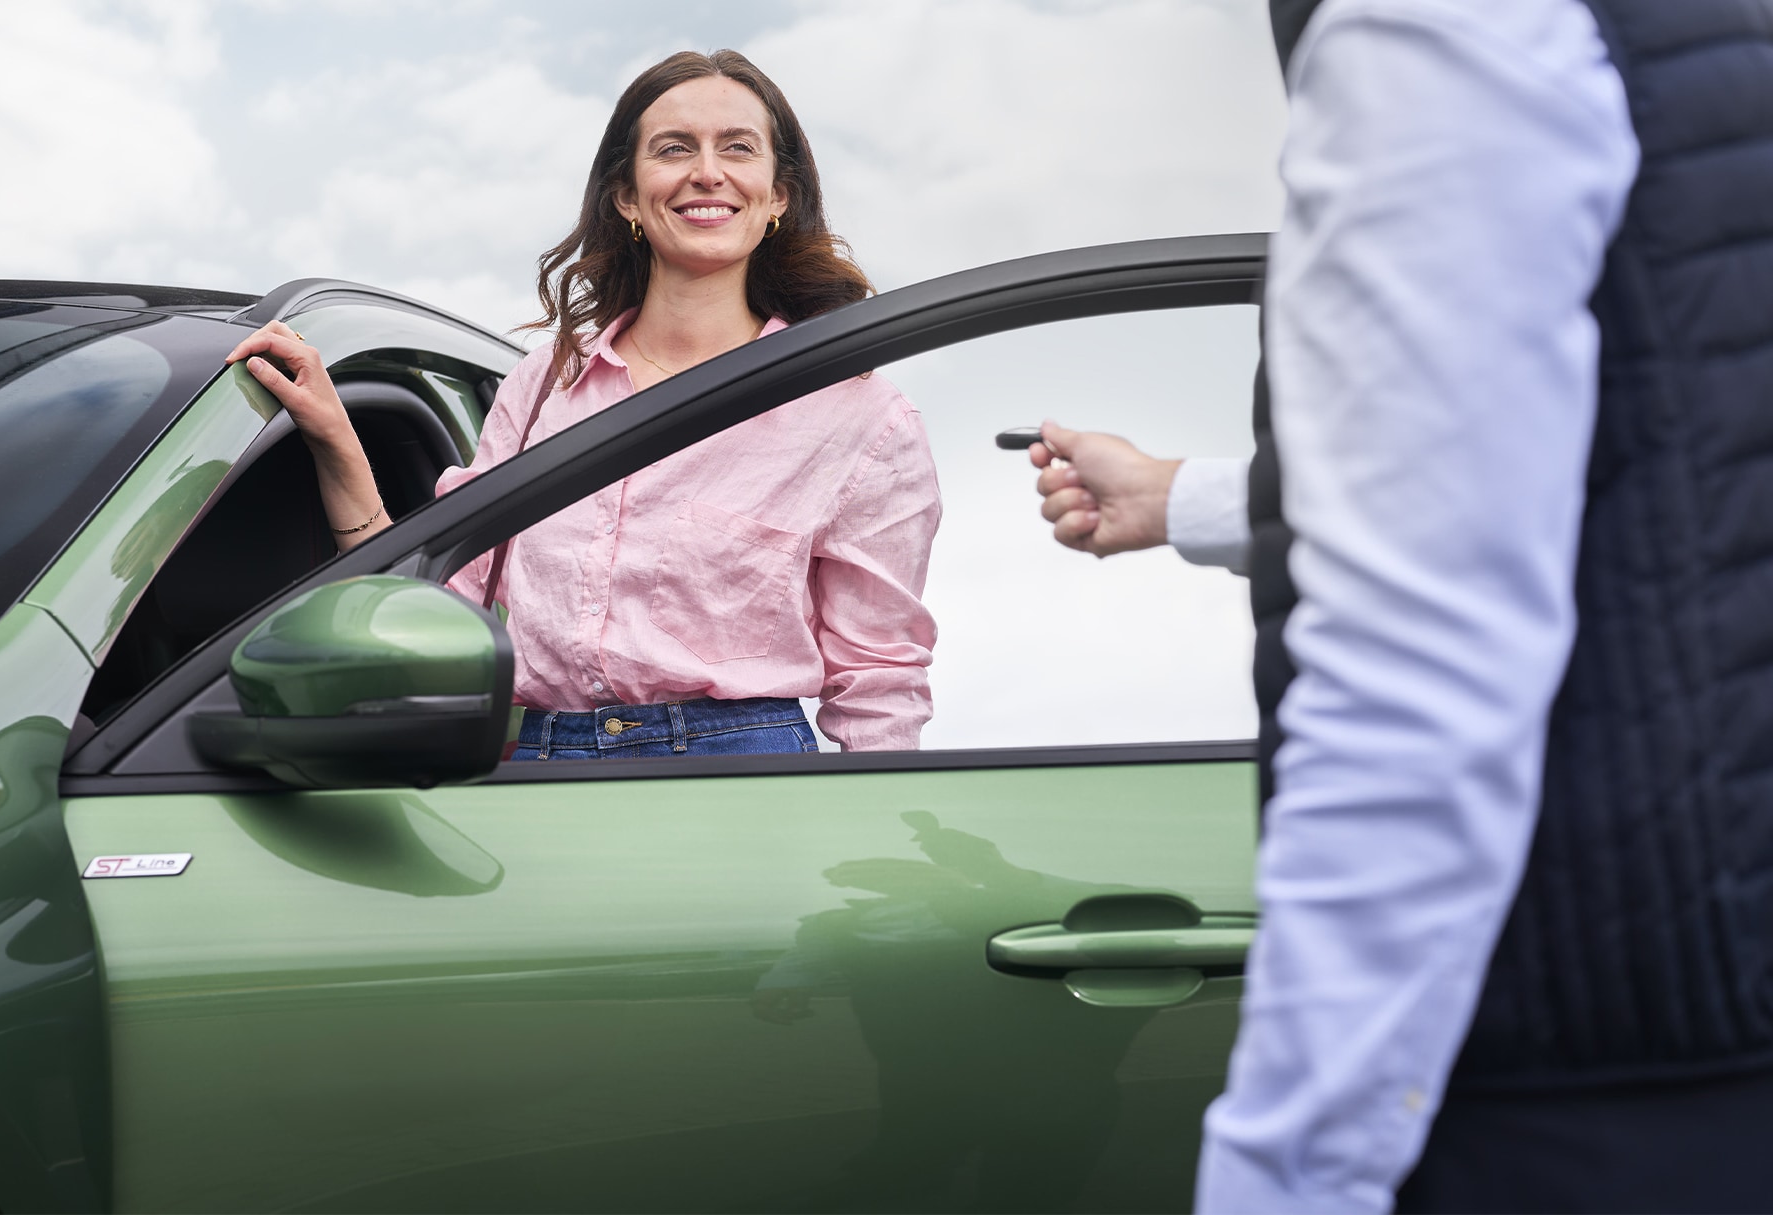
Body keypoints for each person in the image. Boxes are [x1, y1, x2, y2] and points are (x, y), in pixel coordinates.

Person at [1034, 0, 1773, 1210]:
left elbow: (1419, 677)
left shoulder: (1432, 29)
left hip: (1575, 1078)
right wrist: (1184, 498)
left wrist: (1289, 1176)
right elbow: (1657, 457)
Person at [226, 51, 940, 760]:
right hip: (542, 768)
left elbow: (880, 680)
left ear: (777, 195)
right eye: (673, 148)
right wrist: (333, 437)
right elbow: (436, 603)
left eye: (737, 148)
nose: (707, 172)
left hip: (742, 777)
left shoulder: (858, 416)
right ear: (627, 196)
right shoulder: (545, 387)